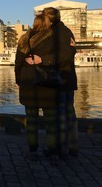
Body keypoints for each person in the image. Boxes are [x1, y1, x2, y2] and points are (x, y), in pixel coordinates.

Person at [15, 13, 64, 165]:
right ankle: (52, 152)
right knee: (51, 122)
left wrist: (19, 81)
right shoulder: (53, 38)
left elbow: (18, 63)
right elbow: (60, 59)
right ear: (48, 23)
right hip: (48, 83)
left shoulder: (24, 39)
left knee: (31, 121)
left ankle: (33, 151)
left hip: (28, 83)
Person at [43, 7, 78, 157]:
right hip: (69, 78)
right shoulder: (67, 31)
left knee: (61, 114)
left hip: (60, 79)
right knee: (70, 112)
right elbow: (71, 52)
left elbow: (64, 56)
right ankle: (72, 146)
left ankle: (61, 149)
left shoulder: (57, 33)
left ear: (49, 19)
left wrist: (44, 59)